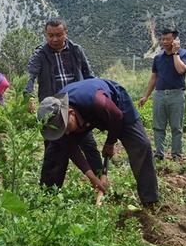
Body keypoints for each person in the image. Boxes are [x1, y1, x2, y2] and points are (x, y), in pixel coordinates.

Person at [37, 78, 159, 207]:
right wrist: (93, 178)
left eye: (66, 128)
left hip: (116, 106)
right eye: (61, 131)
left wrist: (110, 142)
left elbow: (117, 116)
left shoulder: (99, 102)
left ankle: (150, 200)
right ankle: (47, 199)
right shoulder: (56, 115)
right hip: (85, 116)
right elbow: (71, 148)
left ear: (71, 113)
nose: (66, 133)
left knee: (141, 146)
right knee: (56, 149)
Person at [25, 18, 103, 183]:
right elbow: (30, 75)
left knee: (88, 144)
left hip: (76, 106)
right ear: (46, 35)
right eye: (50, 35)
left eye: (58, 35)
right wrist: (28, 96)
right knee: (54, 150)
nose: (54, 39)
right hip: (52, 107)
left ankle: (100, 181)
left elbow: (88, 75)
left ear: (65, 33)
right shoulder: (40, 54)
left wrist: (96, 94)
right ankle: (49, 191)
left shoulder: (76, 50)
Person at [139, 29, 186, 161]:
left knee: (176, 127)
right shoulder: (158, 58)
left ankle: (176, 155)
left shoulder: (184, 54)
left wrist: (175, 53)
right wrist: (146, 96)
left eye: (168, 39)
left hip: (177, 94)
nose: (165, 42)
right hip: (159, 95)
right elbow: (153, 78)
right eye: (163, 39)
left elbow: (181, 70)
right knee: (158, 126)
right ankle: (159, 154)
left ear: (175, 40)